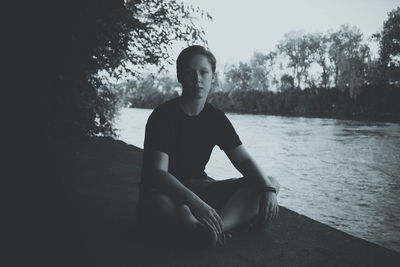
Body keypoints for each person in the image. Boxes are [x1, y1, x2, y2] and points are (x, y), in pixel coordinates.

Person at [137, 45, 280, 249]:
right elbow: (158, 173)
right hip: (163, 192)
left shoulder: (216, 118)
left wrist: (267, 189)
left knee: (270, 182)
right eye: (190, 72)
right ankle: (196, 222)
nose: (197, 79)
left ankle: (214, 228)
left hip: (200, 187)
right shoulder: (163, 116)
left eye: (203, 72)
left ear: (212, 76)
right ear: (180, 76)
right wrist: (196, 203)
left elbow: (243, 160)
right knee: (163, 206)